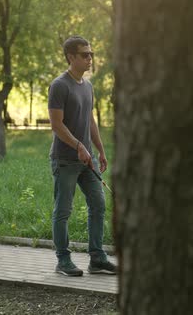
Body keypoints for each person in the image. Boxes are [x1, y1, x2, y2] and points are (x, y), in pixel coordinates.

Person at [48, 36, 116, 276]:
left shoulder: (87, 86)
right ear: (71, 57)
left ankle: (97, 258)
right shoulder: (59, 85)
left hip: (88, 160)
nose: (90, 59)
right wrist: (78, 145)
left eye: (91, 54)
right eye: (85, 55)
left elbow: (89, 120)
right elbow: (56, 125)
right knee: (63, 210)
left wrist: (100, 149)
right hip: (65, 160)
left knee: (98, 204)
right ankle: (63, 260)